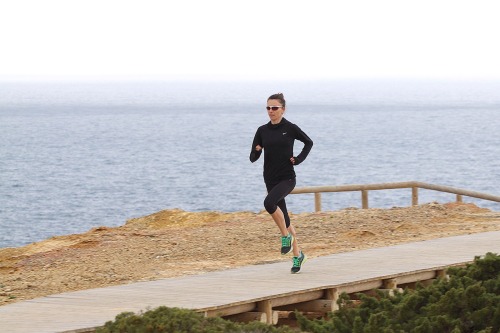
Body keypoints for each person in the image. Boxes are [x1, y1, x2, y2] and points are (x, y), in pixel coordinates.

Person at [249, 93, 313, 273]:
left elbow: (308, 142)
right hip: (269, 178)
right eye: (268, 108)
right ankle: (298, 256)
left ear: (283, 109)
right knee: (284, 218)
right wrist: (257, 151)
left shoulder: (290, 128)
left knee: (269, 203)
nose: (271, 111)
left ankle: (286, 237)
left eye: (274, 108)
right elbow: (252, 158)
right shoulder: (262, 130)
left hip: (287, 178)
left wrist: (298, 159)